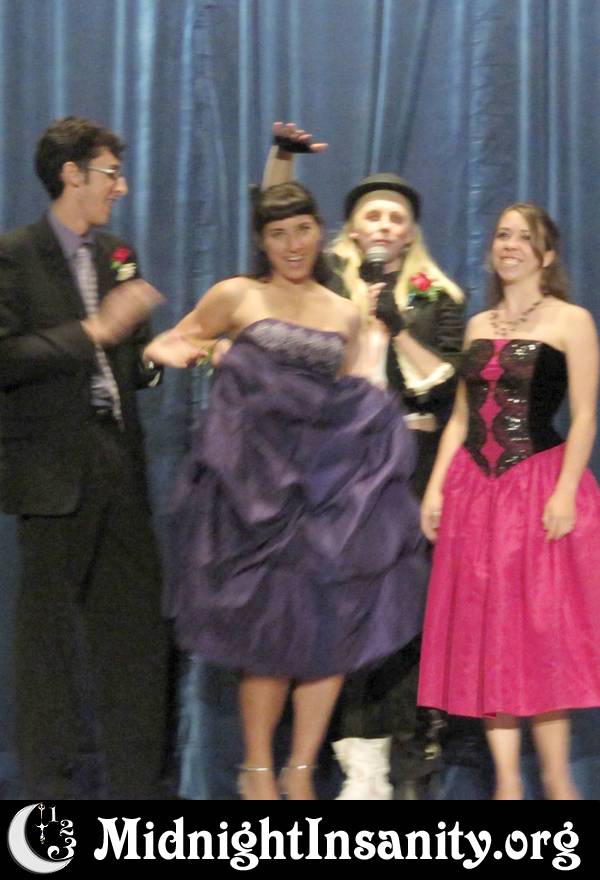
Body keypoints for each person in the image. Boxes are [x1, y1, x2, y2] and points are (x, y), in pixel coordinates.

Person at [144, 181, 427, 800]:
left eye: (302, 230)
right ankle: (256, 771)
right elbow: (167, 342)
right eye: (277, 234)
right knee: (266, 636)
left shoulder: (342, 310)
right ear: (262, 241)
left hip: (325, 490)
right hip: (254, 491)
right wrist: (213, 353)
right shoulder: (237, 293)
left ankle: (299, 771)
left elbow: (356, 398)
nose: (292, 244)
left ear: (319, 232)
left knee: (331, 630)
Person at [262, 124, 465, 799]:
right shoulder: (324, 285)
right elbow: (276, 225)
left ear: (409, 235)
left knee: (406, 609)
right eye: (372, 215)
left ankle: (405, 753)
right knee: (345, 607)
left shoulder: (439, 299)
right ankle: (355, 756)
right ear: (351, 229)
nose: (384, 225)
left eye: (396, 218)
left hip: (411, 464)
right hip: (341, 467)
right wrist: (282, 161)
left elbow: (447, 388)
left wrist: (398, 327)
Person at [0, 116, 170, 799]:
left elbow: (131, 360)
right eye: (110, 174)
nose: (120, 188)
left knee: (134, 632)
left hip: (118, 459)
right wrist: (92, 331)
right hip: (52, 472)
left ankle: (136, 789)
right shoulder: (14, 256)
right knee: (47, 642)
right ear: (72, 175)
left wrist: (157, 358)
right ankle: (49, 794)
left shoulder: (117, 255)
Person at [418, 202, 600, 800]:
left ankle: (557, 780)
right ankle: (506, 784)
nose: (510, 245)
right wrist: (437, 488)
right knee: (488, 632)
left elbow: (585, 414)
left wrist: (566, 491)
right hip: (477, 493)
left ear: (546, 254)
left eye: (524, 236)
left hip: (539, 487)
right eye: (502, 235)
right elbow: (460, 419)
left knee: (541, 634)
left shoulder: (572, 320)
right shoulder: (477, 325)